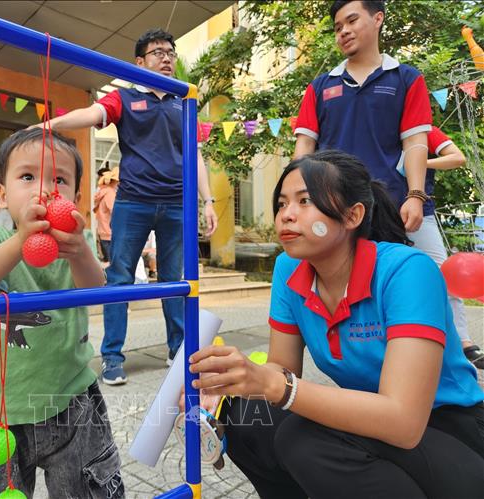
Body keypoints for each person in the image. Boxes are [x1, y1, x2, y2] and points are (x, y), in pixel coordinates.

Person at [187, 150, 484, 499]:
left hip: (449, 431)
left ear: (352, 215)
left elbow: (404, 423)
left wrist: (276, 385)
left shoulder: (408, 270)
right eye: (282, 204)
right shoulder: (289, 269)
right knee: (245, 415)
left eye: (305, 201)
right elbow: (281, 370)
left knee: (305, 439)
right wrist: (228, 382)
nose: (287, 215)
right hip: (371, 422)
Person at [293, 1, 480, 368]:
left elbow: (415, 143)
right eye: (336, 27)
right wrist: (298, 201)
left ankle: (455, 362)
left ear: (377, 19)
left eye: (351, 20)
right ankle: (372, 372)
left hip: (401, 207)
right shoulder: (320, 87)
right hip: (339, 212)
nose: (343, 31)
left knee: (434, 280)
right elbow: (304, 149)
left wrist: (415, 194)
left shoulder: (406, 78)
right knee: (354, 292)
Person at [35, 28, 218, 385]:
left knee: (175, 281)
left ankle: (178, 348)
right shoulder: (125, 97)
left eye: (171, 52)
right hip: (133, 202)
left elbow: (195, 156)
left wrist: (207, 202)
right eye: (157, 52)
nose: (166, 57)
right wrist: (50, 125)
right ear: (140, 62)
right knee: (118, 278)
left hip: (177, 204)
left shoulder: (185, 102)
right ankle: (113, 356)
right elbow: (91, 114)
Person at [0, 128, 123, 499]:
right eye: (27, 176)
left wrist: (79, 251)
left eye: (59, 180)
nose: (44, 190)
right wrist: (21, 238)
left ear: (76, 198)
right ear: (2, 194)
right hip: (2, 408)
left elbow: (96, 289)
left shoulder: (78, 243)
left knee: (83, 489)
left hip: (72, 400)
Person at [398, 126, 484, 368]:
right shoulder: (372, 126)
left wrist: (420, 162)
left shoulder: (425, 131)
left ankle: (464, 342)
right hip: (376, 212)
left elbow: (458, 157)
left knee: (442, 275)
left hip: (419, 213)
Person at [93, 167, 119, 262]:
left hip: (103, 230)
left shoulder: (102, 192)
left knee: (107, 262)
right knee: (113, 264)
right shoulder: (110, 193)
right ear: (113, 181)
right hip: (110, 233)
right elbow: (115, 211)